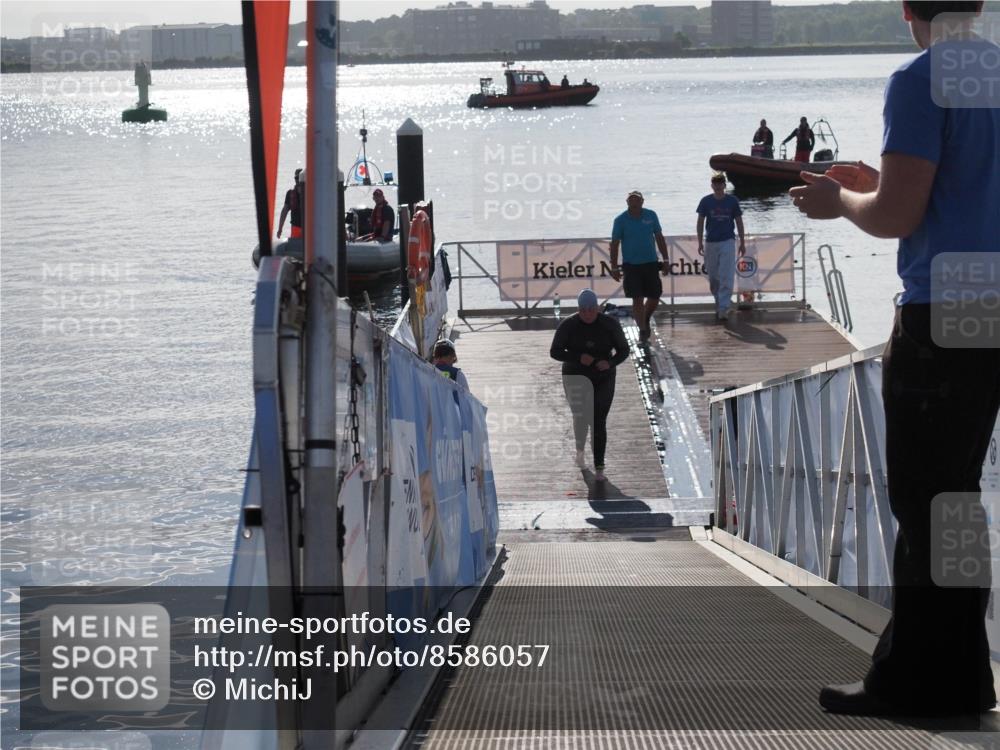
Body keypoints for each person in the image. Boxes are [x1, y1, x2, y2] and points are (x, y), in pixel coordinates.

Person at [789, 0, 998, 717]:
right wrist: (870, 183)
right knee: (958, 503)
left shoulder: (921, 78)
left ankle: (920, 684)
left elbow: (896, 217)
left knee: (925, 501)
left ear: (909, 9)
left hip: (946, 307)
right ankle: (964, 678)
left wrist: (837, 199)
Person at [549, 289, 629, 482]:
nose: (587, 314)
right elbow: (555, 351)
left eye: (591, 310)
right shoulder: (568, 325)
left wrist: (609, 363)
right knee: (581, 417)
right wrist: (577, 357)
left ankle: (600, 466)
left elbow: (624, 350)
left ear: (598, 308)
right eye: (583, 310)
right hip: (575, 375)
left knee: (598, 419)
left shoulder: (609, 324)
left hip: (603, 376)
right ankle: (579, 451)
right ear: (578, 309)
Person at [609, 190, 669, 341]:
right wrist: (614, 267)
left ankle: (645, 318)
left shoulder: (651, 215)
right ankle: (642, 329)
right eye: (631, 200)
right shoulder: (620, 220)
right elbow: (615, 244)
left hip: (650, 263)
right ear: (627, 202)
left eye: (637, 200)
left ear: (642, 202)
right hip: (631, 265)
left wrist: (666, 260)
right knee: (637, 298)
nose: (634, 202)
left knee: (655, 296)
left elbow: (659, 237)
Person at [696, 173, 746, 321]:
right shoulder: (705, 201)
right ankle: (719, 302)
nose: (718, 186)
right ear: (712, 185)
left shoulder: (732, 201)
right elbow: (700, 222)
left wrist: (742, 242)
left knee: (726, 274)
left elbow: (739, 222)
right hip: (711, 241)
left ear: (725, 185)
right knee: (713, 277)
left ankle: (724, 307)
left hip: (728, 241)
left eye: (720, 183)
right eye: (715, 183)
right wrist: (700, 241)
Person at [277, 168, 304, 239]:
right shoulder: (290, 194)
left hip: (310, 229)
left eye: (299, 178)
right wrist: (280, 229)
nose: (298, 180)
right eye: (296, 178)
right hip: (296, 228)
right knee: (295, 247)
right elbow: (284, 211)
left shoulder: (311, 193)